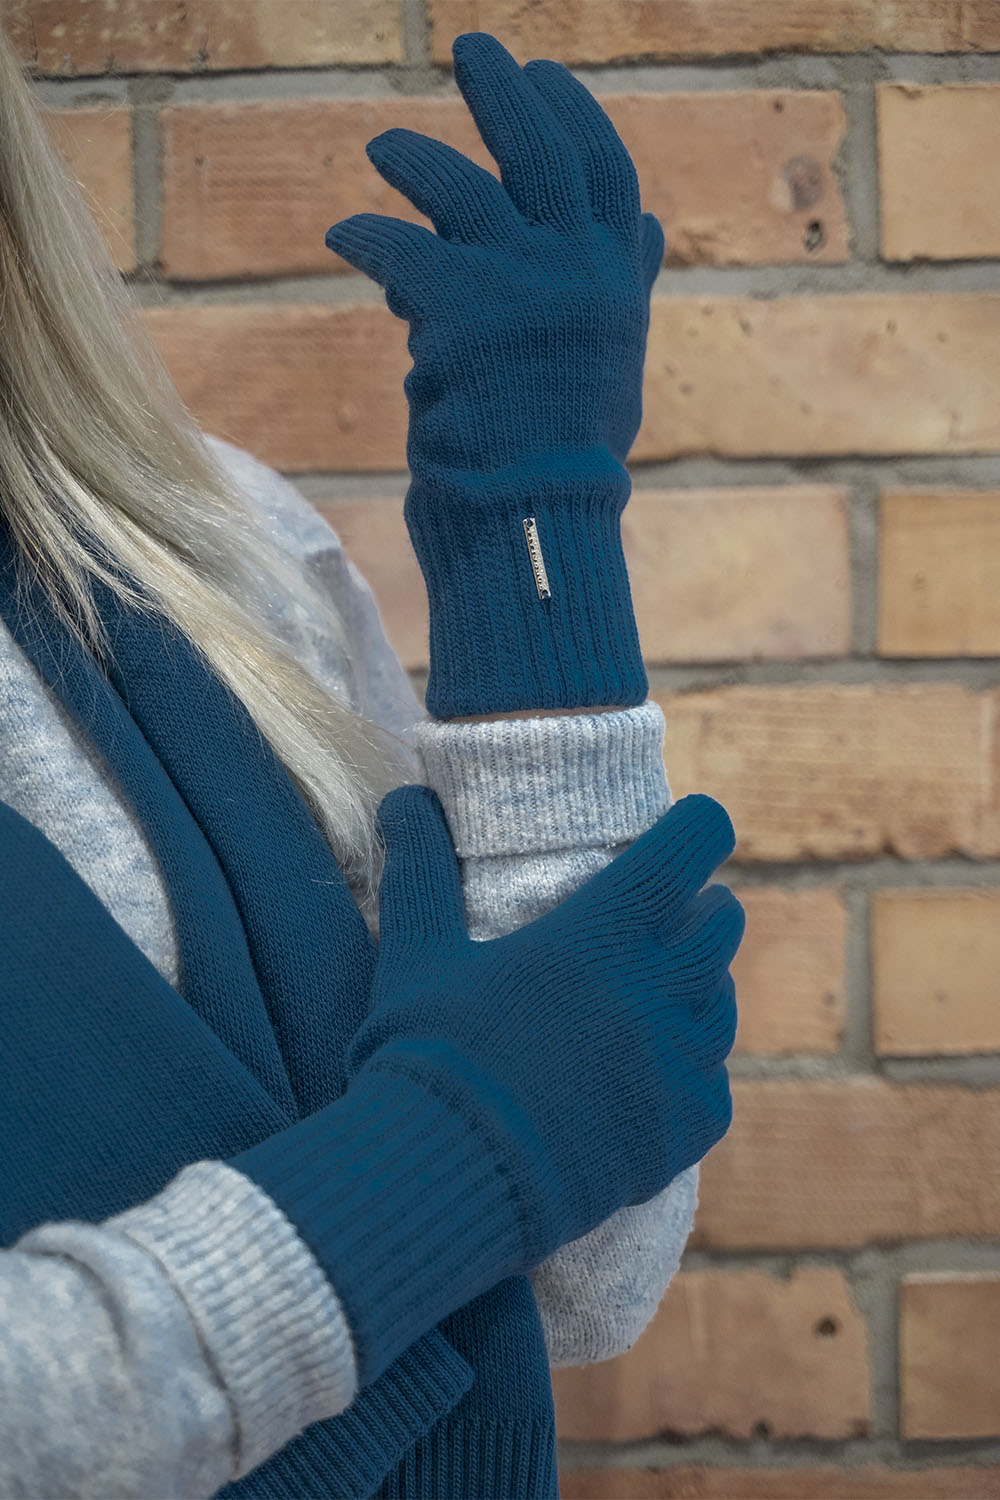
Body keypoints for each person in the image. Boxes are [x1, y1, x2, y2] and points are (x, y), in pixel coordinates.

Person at [0, 25, 746, 1500]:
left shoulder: (205, 541)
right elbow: (500, 1149)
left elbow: (585, 1275)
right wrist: (441, 1166)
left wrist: (534, 525)